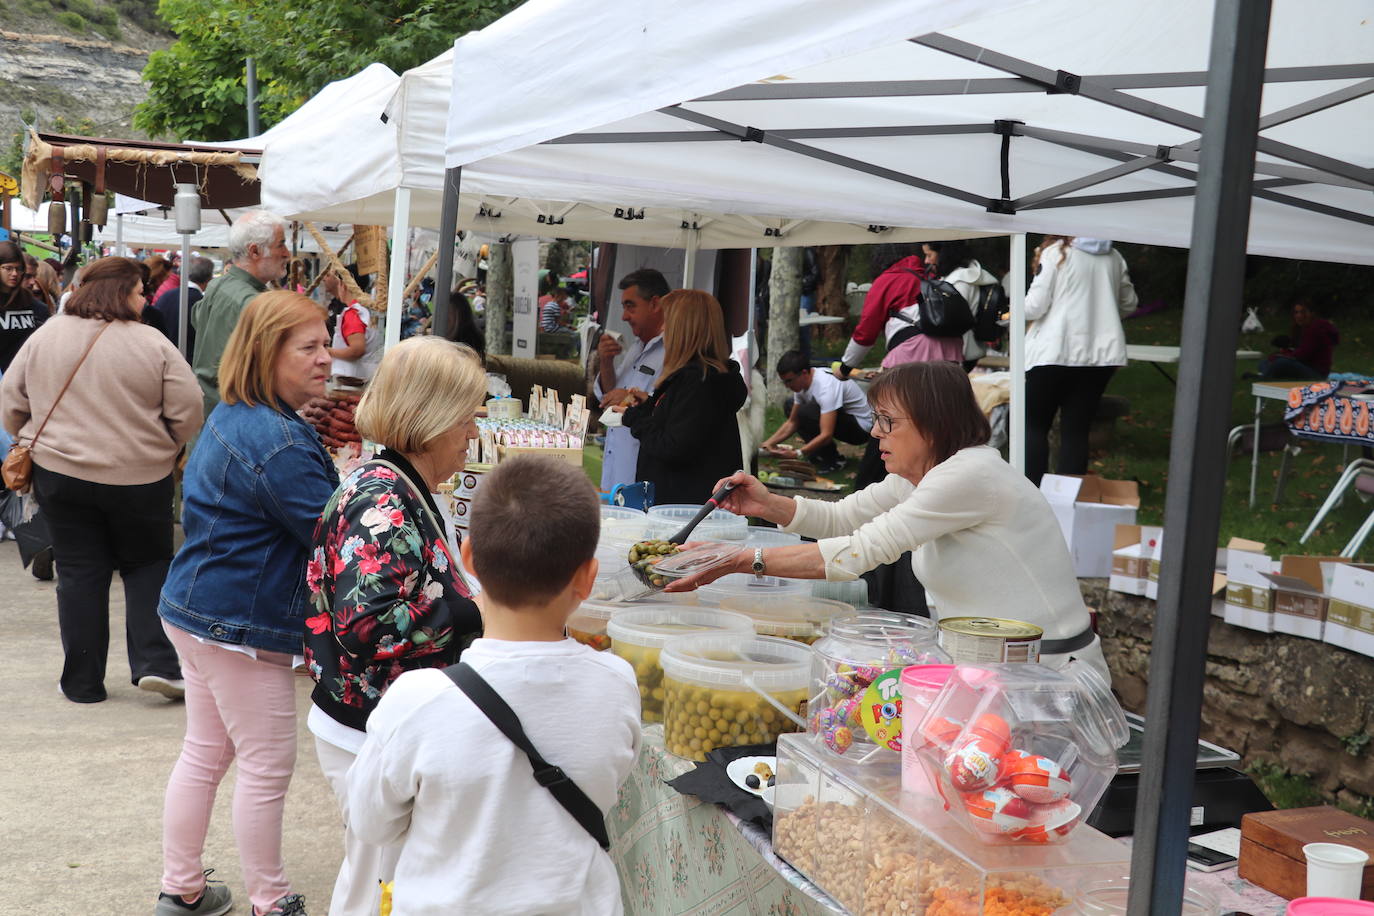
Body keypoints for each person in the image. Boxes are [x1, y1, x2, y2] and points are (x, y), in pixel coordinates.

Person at [666, 361, 1109, 684]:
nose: (875, 432)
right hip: (998, 673)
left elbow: (856, 554)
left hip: (1050, 680)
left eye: (887, 421)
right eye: (876, 418)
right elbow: (840, 518)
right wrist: (768, 504)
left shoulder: (970, 475)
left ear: (935, 424)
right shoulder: (921, 478)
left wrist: (738, 560)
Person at [344, 456, 641, 915]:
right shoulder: (617, 684)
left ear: (469, 561)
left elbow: (370, 821)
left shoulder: (417, 702)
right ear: (587, 578)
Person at [156, 290, 338, 916]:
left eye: (326, 341)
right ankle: (271, 900)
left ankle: (181, 888)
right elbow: (332, 534)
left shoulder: (238, 414)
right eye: (309, 347)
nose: (326, 357)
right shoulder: (277, 438)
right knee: (265, 766)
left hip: (195, 607)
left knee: (206, 752)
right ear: (268, 353)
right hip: (236, 621)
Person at [305, 337, 486, 916]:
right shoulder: (381, 496)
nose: (473, 434)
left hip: (379, 722)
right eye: (468, 418)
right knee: (375, 889)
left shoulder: (401, 486)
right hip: (367, 727)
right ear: (431, 421)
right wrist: (481, 613)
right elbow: (371, 625)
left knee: (375, 882)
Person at [1, 257, 202, 703]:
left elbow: (12, 402)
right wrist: (165, 444)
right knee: (147, 565)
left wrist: (35, 435)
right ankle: (156, 664)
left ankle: (82, 681)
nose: (145, 299)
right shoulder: (153, 343)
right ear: (119, 293)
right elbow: (188, 411)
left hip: (61, 472)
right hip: (141, 475)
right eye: (138, 292)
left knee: (79, 572)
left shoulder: (46, 335)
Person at [1023, 236, 1137, 485]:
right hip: (1099, 356)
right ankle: (1067, 501)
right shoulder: (1114, 256)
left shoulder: (1056, 252)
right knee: (1076, 431)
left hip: (1054, 351)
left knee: (1033, 426)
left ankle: (1031, 496)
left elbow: (1035, 306)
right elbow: (1129, 303)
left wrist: (1009, 311)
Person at [620, 289, 747, 504]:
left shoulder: (700, 382)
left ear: (682, 329)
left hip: (684, 510)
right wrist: (649, 406)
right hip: (685, 504)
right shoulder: (703, 378)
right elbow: (681, 423)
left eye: (667, 322)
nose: (662, 329)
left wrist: (634, 418)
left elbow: (673, 446)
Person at [191, 209, 291, 418]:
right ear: (254, 251)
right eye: (281, 244)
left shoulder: (217, 286)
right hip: (235, 424)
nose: (287, 254)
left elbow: (197, 319)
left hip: (210, 418)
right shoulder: (252, 302)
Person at [594, 268, 668, 492]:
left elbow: (669, 409)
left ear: (655, 304)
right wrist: (605, 361)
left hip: (643, 473)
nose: (624, 316)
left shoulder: (673, 350)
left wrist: (626, 397)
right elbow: (609, 397)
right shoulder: (636, 346)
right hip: (617, 468)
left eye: (630, 306)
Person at [838, 246, 963, 374]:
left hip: (914, 349)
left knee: (902, 393)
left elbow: (866, 332)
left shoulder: (886, 280)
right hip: (952, 348)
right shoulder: (931, 277)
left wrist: (845, 367)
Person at [761, 349, 873, 474]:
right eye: (784, 382)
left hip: (862, 428)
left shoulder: (825, 386)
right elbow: (792, 422)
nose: (787, 386)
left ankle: (834, 460)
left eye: (789, 381)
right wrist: (769, 443)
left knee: (804, 412)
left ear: (804, 373)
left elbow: (826, 434)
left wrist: (797, 453)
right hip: (845, 418)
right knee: (790, 405)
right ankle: (818, 454)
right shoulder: (804, 383)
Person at [922, 241, 1001, 370]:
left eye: (929, 255)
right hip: (970, 347)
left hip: (959, 351)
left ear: (943, 254)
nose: (926, 261)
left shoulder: (958, 281)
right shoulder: (968, 274)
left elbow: (950, 319)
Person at [1257, 298, 1338, 380]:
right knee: (1264, 362)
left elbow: (1302, 355)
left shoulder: (1316, 328)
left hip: (1315, 372)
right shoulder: (1300, 328)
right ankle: (1271, 374)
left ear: (1312, 313)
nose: (1299, 315)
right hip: (1303, 365)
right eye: (1296, 312)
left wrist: (1282, 357)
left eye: (1303, 312)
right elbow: (1295, 350)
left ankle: (1265, 376)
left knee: (1280, 363)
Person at [325, 269, 381, 385]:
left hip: (352, 381)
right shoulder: (365, 310)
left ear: (343, 285)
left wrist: (328, 351)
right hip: (365, 377)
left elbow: (357, 350)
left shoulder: (353, 314)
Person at [0, 241, 50, 370]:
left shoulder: (37, 307)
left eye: (19, 268)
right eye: (8, 268)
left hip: (28, 379)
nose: (15, 274)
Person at [151, 255, 214, 354]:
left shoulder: (167, 295)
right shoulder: (201, 302)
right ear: (209, 278)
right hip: (188, 359)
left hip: (161, 353)